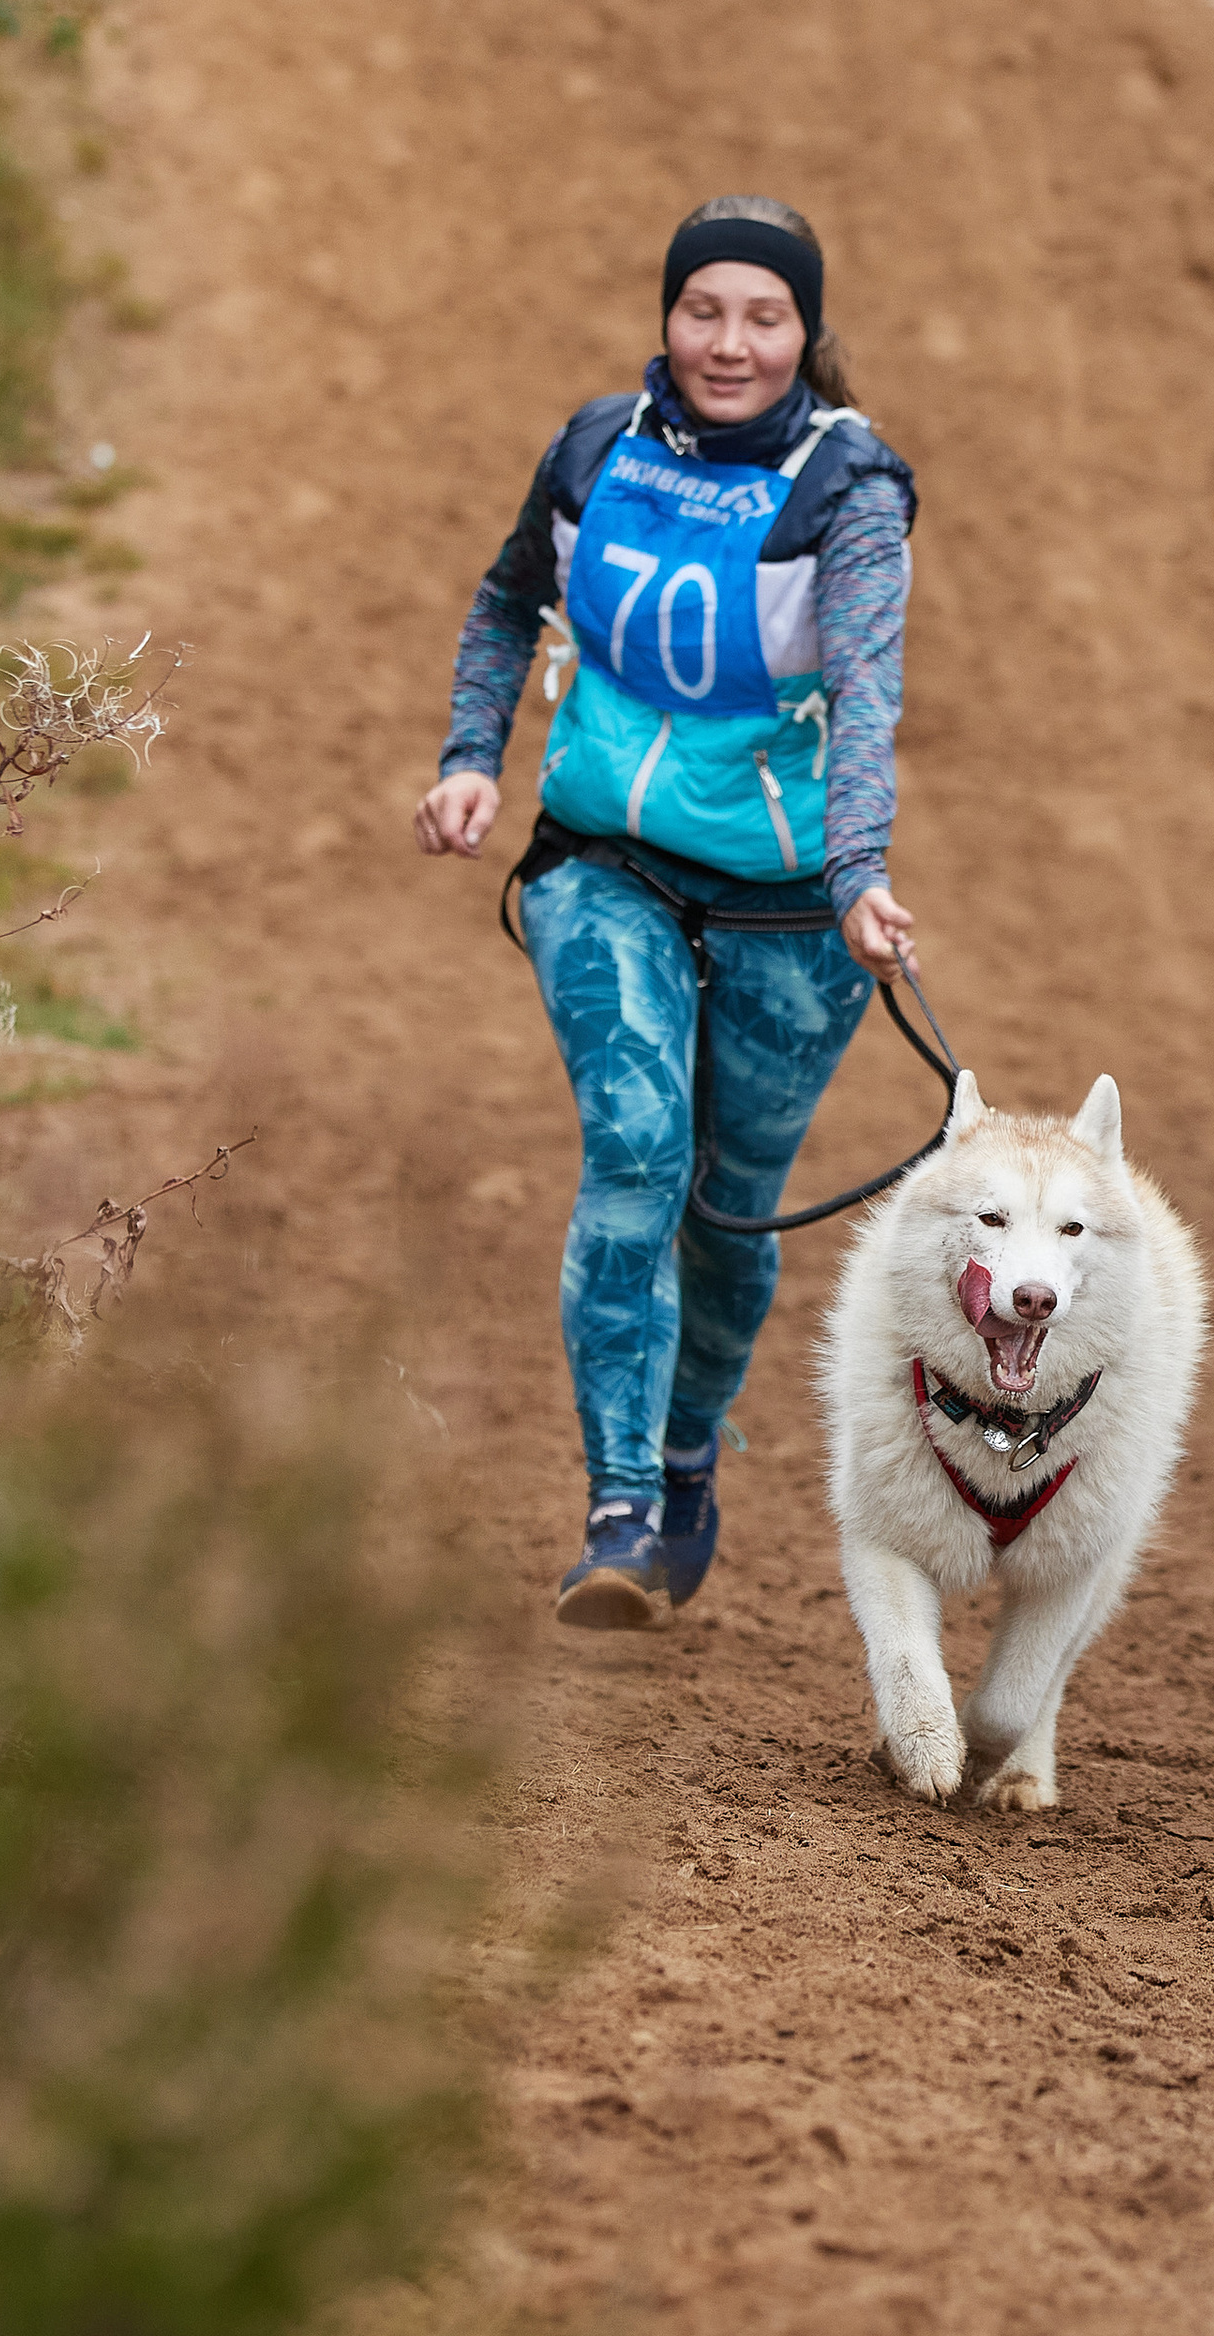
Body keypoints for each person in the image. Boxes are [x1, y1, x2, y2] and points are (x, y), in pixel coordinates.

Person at [414, 196, 920, 1632]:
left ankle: (691, 1448)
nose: (730, 342)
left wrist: (859, 871)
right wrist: (471, 763)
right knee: (637, 1154)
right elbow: (509, 599)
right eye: (705, 310)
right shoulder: (594, 450)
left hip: (793, 913)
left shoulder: (852, 494)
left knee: (729, 1215)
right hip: (602, 868)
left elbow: (872, 693)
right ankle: (622, 1508)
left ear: (807, 334)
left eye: (765, 316)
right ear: (667, 317)